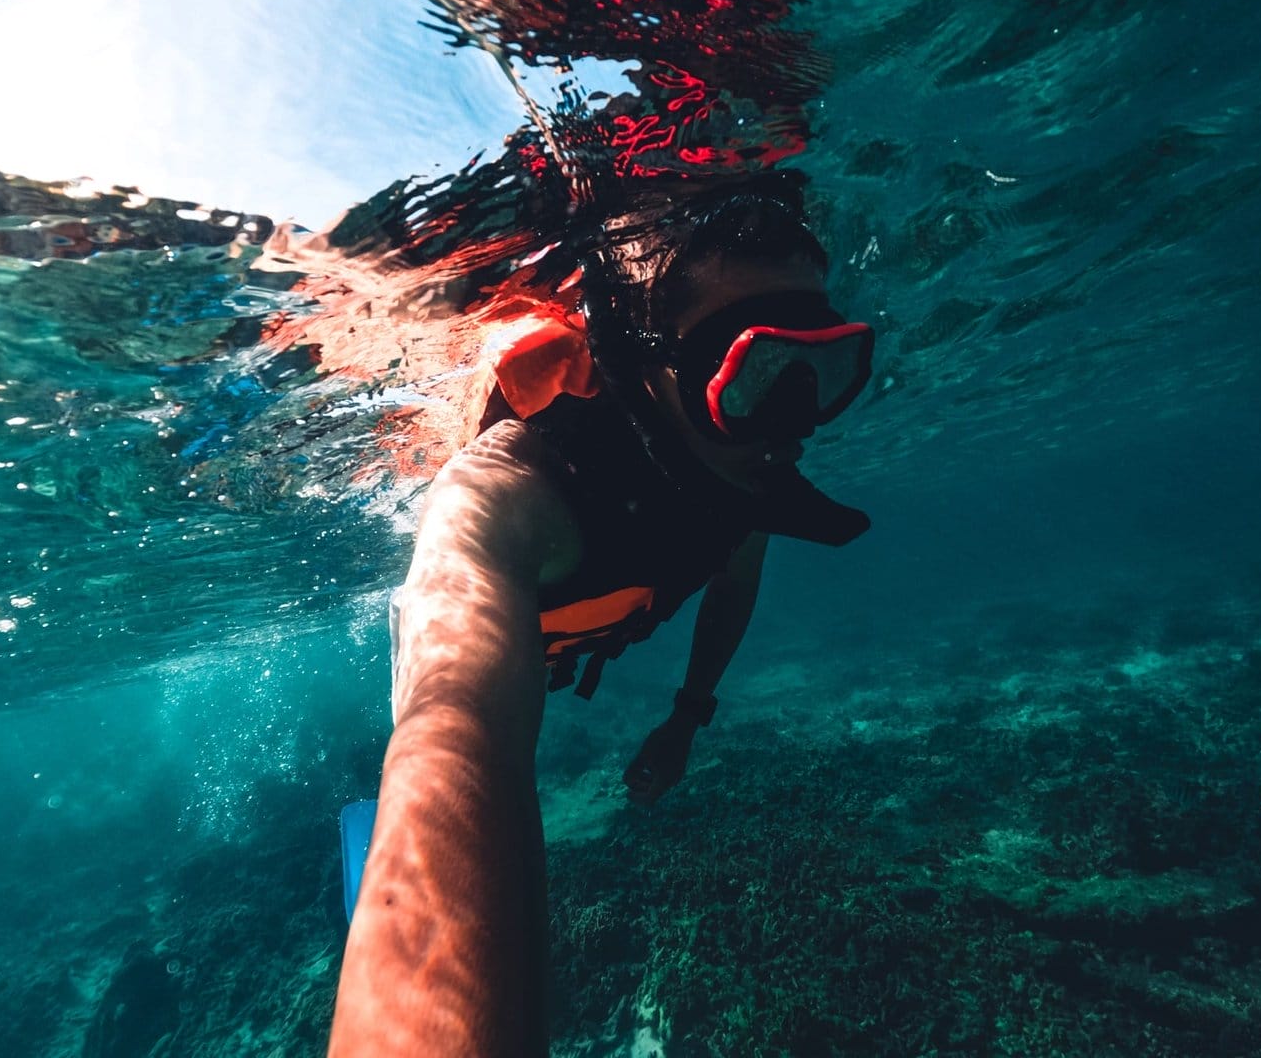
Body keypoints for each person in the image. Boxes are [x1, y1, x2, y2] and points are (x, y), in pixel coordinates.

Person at [328, 177, 875, 1057]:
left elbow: (735, 578)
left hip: (589, 620)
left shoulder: (734, 463)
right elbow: (457, 729)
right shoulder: (504, 492)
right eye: (751, 371)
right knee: (411, 776)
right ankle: (374, 875)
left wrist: (687, 717)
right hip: (497, 642)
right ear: (638, 364)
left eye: (824, 367)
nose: (792, 422)